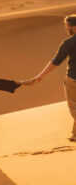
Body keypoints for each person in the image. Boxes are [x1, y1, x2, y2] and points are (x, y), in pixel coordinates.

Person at [31, 14, 76, 142]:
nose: (66, 29)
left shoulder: (69, 42)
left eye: (67, 26)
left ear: (74, 26)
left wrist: (40, 76)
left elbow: (55, 61)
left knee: (73, 106)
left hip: (73, 80)